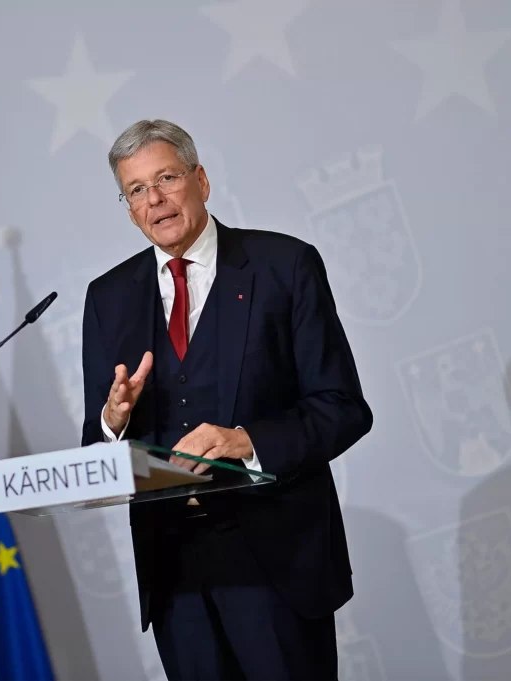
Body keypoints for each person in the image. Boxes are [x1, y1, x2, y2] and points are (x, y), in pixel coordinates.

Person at [80, 119, 373, 680]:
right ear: (127, 206)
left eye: (166, 177)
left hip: (277, 564)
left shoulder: (283, 265)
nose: (156, 200)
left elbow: (342, 406)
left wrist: (246, 442)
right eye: (137, 189)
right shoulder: (109, 299)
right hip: (175, 576)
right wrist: (111, 422)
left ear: (202, 180)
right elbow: (99, 451)